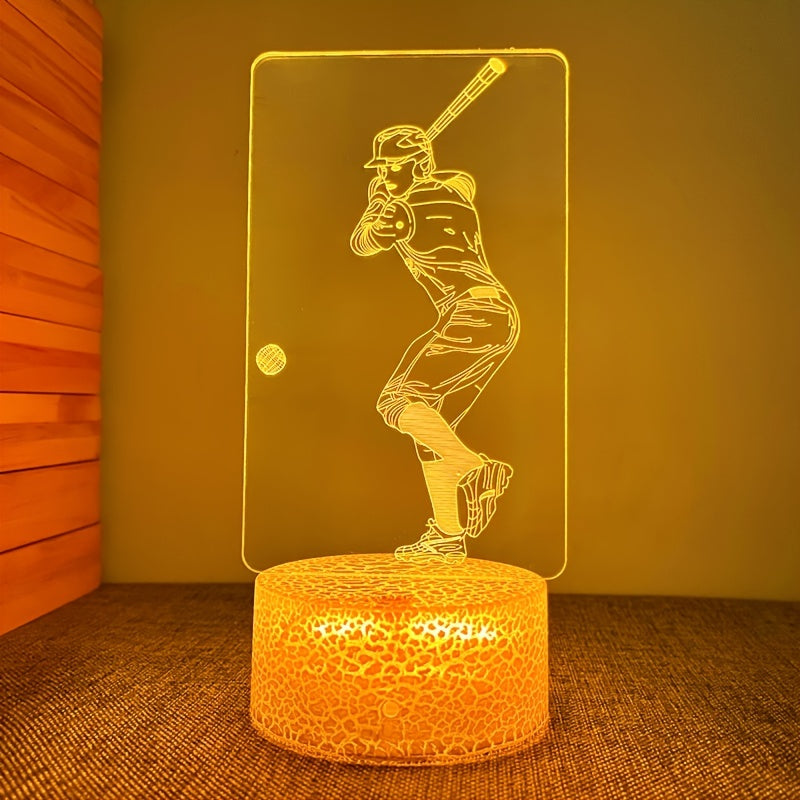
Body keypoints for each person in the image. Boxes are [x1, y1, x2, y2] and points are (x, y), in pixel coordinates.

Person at [350, 124, 520, 564]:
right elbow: (464, 179)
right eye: (381, 168)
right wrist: (405, 181)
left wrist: (375, 203)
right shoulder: (454, 192)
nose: (385, 175)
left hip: (471, 314)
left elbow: (362, 243)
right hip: (495, 315)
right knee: (430, 430)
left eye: (393, 166)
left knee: (397, 400)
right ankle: (447, 536)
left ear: (419, 164)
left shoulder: (401, 211)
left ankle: (475, 468)